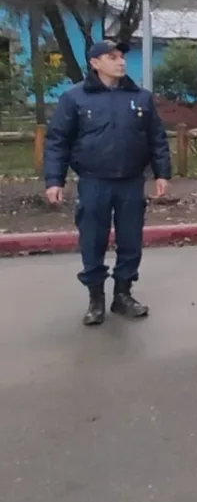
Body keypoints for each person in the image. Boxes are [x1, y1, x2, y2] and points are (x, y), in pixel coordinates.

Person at [43, 39, 171, 326]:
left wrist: (162, 173)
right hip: (94, 181)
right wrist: (54, 180)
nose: (120, 61)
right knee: (93, 239)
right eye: (112, 57)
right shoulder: (75, 98)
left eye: (121, 56)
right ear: (95, 63)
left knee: (130, 241)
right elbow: (57, 142)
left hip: (130, 181)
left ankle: (123, 295)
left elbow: (157, 139)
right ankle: (96, 299)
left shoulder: (140, 97)